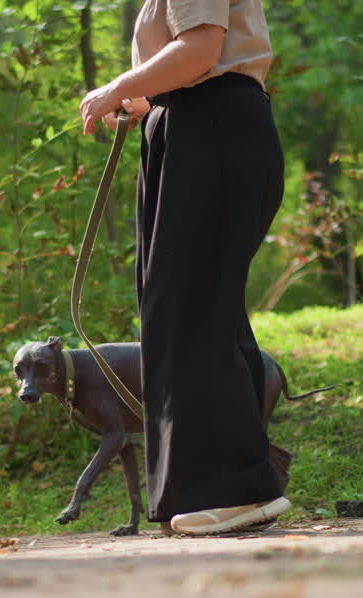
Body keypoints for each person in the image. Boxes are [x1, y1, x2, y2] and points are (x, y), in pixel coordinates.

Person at [79, 0, 289, 535]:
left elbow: (201, 50)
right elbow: (189, 61)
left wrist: (113, 89)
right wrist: (143, 98)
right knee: (185, 310)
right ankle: (229, 486)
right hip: (193, 130)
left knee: (193, 309)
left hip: (211, 132)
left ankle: (238, 489)